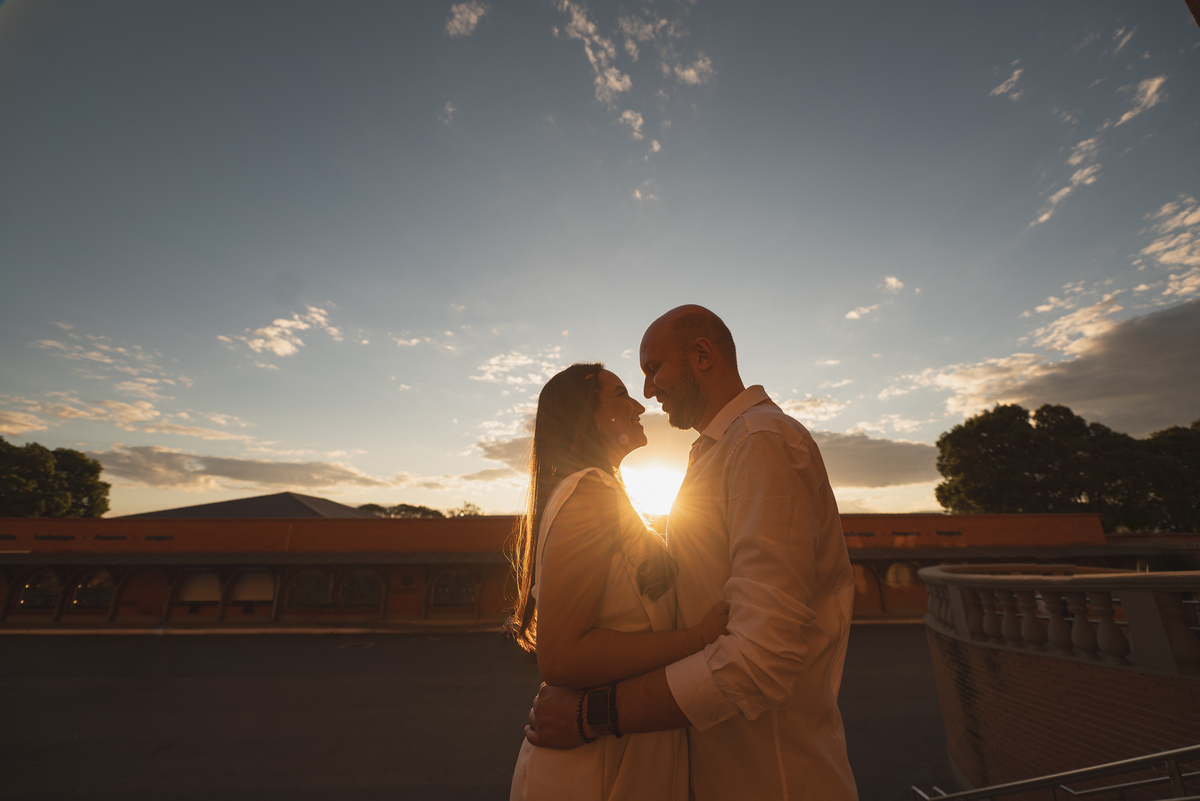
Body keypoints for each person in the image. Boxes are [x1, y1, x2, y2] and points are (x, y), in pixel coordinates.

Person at [525, 306, 859, 800]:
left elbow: (760, 656)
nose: (647, 392)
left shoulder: (759, 442)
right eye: (634, 381)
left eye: (653, 369)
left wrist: (593, 715)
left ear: (702, 354)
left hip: (771, 776)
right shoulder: (718, 453)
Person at [508, 362, 729, 801]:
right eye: (620, 394)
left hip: (625, 749)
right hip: (595, 769)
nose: (638, 405)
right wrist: (699, 638)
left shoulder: (608, 492)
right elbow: (562, 656)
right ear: (585, 415)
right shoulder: (588, 492)